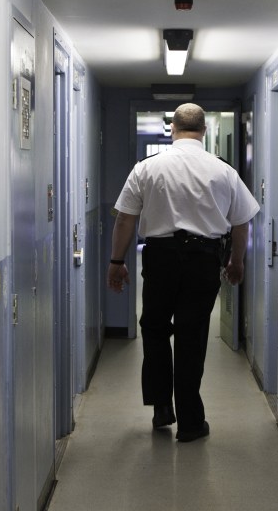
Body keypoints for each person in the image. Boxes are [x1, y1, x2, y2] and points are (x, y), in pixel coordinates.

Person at [107, 103, 260, 442]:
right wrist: (237, 261)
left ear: (173, 129)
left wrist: (117, 262)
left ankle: (162, 406)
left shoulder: (147, 168)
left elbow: (125, 219)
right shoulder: (223, 171)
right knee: (192, 335)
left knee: (155, 327)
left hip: (159, 257)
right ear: (204, 132)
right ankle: (191, 422)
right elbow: (241, 222)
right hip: (204, 259)